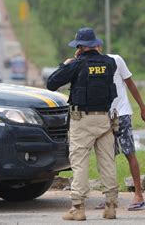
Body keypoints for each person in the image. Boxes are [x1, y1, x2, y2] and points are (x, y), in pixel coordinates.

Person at [47, 27, 119, 221]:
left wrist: (67, 64)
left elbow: (51, 83)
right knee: (107, 162)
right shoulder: (110, 63)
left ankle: (78, 208)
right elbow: (101, 65)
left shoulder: (76, 64)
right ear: (96, 44)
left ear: (79, 47)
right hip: (105, 120)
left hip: (82, 120)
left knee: (79, 163)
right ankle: (111, 206)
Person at [95, 52, 145, 211]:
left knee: (129, 153)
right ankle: (110, 197)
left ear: (98, 46)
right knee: (106, 157)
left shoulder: (116, 60)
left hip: (121, 114)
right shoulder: (87, 65)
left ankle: (139, 195)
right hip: (102, 116)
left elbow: (130, 84)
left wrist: (143, 108)